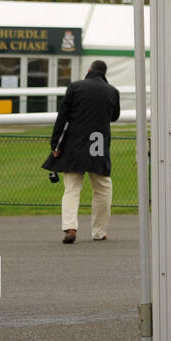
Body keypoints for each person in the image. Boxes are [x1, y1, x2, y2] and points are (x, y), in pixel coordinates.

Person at [48, 60, 120, 244]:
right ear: (105, 73)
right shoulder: (112, 91)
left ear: (89, 70)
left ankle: (70, 228)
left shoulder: (75, 87)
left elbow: (62, 117)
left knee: (72, 189)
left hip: (74, 146)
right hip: (99, 147)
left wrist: (55, 144)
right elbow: (114, 116)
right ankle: (98, 231)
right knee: (103, 189)